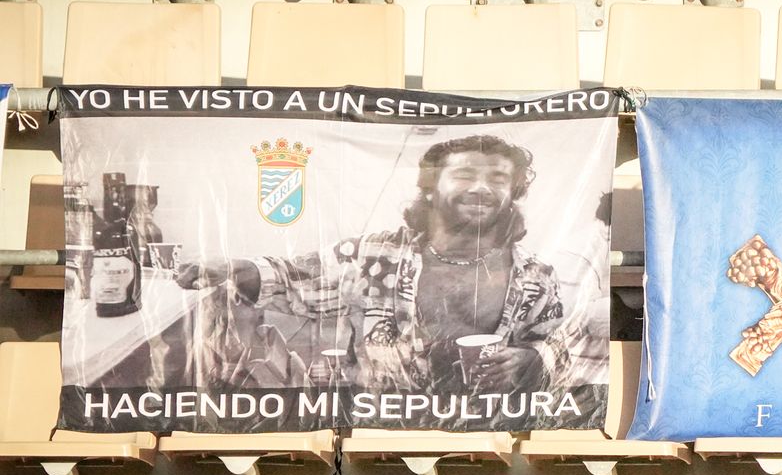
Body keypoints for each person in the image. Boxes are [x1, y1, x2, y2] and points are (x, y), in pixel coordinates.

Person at [176, 134, 571, 396]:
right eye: (465, 174)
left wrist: (533, 359)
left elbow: (558, 343)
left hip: (485, 434)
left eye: (498, 179)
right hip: (380, 429)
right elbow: (293, 281)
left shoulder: (536, 276)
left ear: (513, 192)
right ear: (431, 188)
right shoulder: (372, 256)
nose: (482, 188)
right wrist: (232, 269)